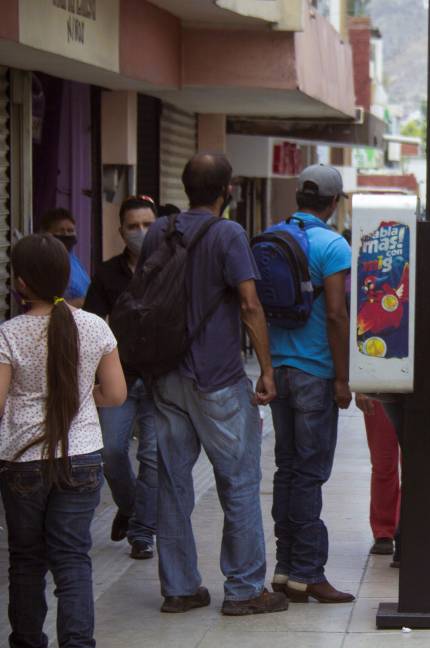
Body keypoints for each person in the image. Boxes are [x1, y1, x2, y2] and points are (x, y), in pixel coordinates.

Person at [141, 153, 287, 616]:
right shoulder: (229, 233)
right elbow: (249, 304)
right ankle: (244, 589)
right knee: (239, 481)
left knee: (172, 482)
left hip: (166, 375)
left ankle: (180, 588)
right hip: (218, 379)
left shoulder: (157, 231)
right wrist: (266, 369)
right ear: (229, 189)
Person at [0, 234, 127, 648]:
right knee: (73, 560)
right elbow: (115, 395)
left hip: (22, 459)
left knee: (26, 561)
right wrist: (78, 396)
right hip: (82, 457)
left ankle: (27, 641)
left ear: (21, 283)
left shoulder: (9, 334)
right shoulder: (94, 326)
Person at [266, 165, 355, 604]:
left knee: (287, 470)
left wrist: (265, 366)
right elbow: (337, 315)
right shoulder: (332, 245)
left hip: (277, 369)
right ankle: (308, 572)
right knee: (310, 474)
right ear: (334, 203)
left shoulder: (271, 236)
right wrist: (343, 377)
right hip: (315, 372)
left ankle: (283, 569)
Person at [85, 196, 160, 560]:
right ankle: (130, 508)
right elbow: (92, 326)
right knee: (112, 451)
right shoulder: (106, 274)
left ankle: (142, 532)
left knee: (152, 455)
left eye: (147, 224)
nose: (140, 232)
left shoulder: (170, 268)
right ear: (120, 231)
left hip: (161, 378)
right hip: (120, 377)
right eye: (133, 226)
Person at [357, 395, 401, 557]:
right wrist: (362, 389)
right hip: (379, 386)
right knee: (383, 464)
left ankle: (406, 529)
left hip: (421, 386)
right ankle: (384, 531)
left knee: (415, 466)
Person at [39, 208, 90, 307]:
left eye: (70, 230)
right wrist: (81, 302)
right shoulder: (44, 263)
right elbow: (47, 305)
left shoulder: (73, 259)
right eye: (61, 231)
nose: (66, 234)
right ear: (47, 233)